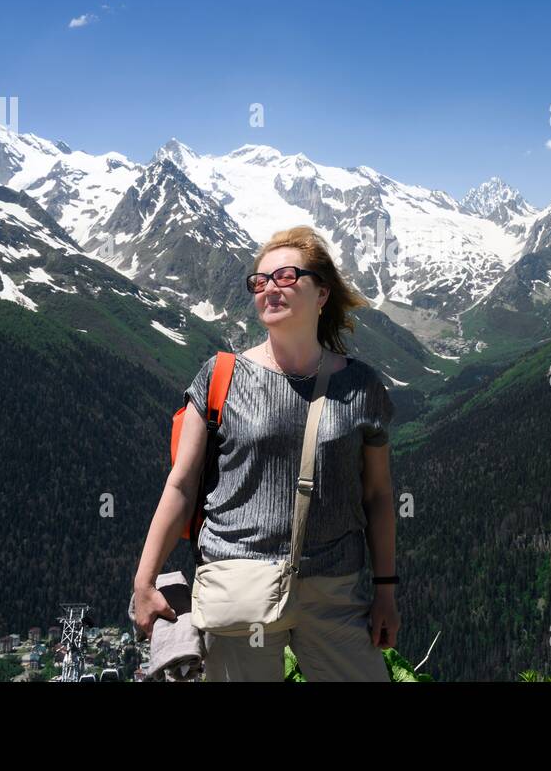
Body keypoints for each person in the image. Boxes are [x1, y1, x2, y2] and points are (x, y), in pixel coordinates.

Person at [132, 225, 400, 681]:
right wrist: (144, 580)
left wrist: (386, 592)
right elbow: (180, 483)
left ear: (322, 294)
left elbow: (377, 497)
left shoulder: (363, 387)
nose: (269, 288)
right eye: (259, 281)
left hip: (335, 591)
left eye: (286, 276)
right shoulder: (220, 376)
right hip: (239, 585)